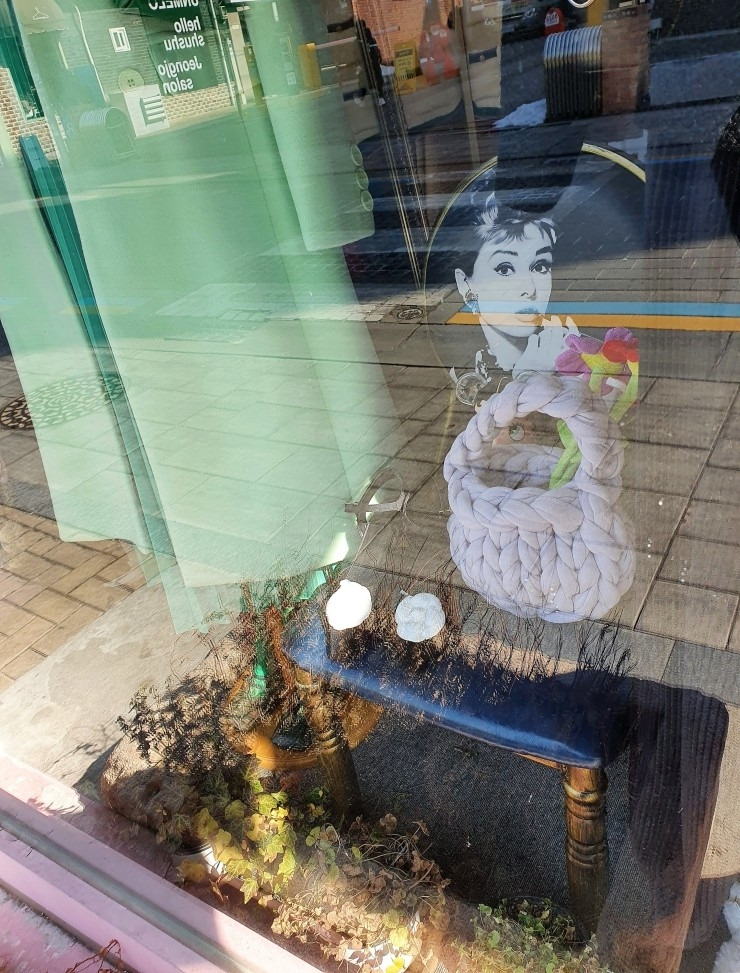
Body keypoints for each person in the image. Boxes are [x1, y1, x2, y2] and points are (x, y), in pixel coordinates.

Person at [449, 191, 579, 404]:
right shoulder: (458, 373)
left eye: (540, 266)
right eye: (504, 269)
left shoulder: (578, 356)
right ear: (465, 284)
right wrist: (526, 379)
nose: (529, 288)